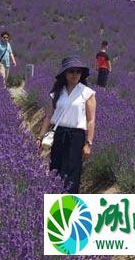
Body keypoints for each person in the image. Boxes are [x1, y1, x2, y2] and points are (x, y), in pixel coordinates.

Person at [37, 56, 96, 194]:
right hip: (59, 134)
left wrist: (88, 143)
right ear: (65, 73)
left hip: (76, 137)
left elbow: (91, 120)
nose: (75, 75)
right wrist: (40, 138)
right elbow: (48, 116)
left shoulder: (87, 93)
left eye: (78, 71)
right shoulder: (57, 92)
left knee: (71, 174)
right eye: (71, 71)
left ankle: (69, 209)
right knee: (55, 170)